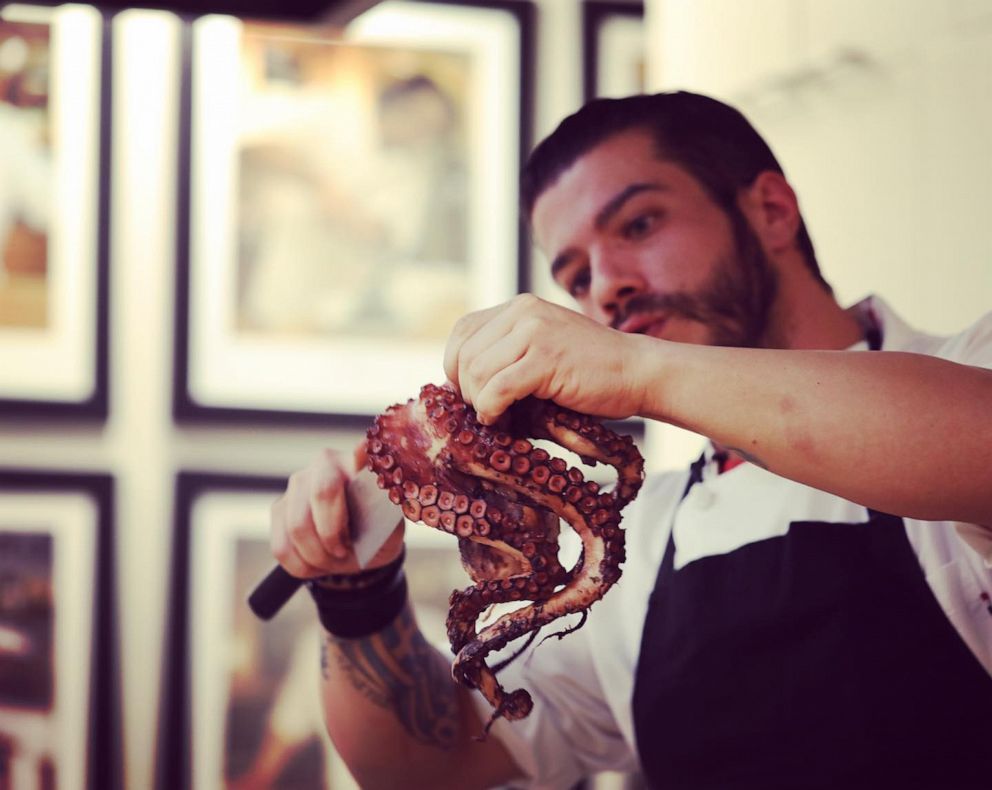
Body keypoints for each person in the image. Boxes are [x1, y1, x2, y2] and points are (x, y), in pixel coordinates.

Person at [268, 92, 992, 789]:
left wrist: (636, 368)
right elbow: (424, 763)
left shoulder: (970, 368)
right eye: (576, 275)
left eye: (639, 225)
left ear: (770, 210)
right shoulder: (639, 548)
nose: (606, 287)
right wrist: (356, 588)